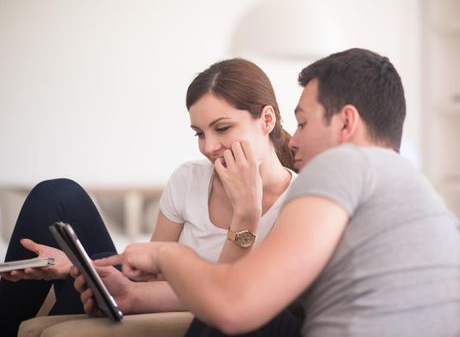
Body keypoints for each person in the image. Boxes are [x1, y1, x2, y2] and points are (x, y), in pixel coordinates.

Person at [90, 48, 460, 337]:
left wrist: (163, 254)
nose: (292, 143)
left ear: (346, 123)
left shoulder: (344, 163)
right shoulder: (419, 195)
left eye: (302, 122)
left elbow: (233, 304)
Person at [0, 58, 297, 337]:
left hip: (190, 312)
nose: (208, 147)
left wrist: (246, 208)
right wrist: (80, 266)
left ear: (266, 119)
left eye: (222, 128)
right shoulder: (189, 178)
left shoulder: (299, 203)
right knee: (58, 194)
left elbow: (229, 294)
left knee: (100, 265)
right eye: (199, 134)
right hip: (144, 290)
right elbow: (149, 273)